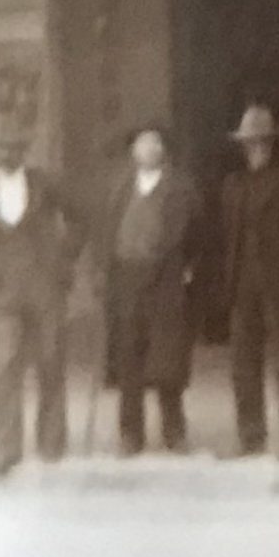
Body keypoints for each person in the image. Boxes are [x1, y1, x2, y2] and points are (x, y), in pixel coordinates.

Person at [0, 125, 79, 481]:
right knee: (6, 365)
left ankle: (51, 443)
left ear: (24, 152)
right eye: (1, 149)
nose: (8, 155)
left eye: (15, 149)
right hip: (4, 293)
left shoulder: (44, 184)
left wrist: (65, 259)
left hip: (45, 288)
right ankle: (5, 450)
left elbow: (81, 217)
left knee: (50, 361)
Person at [218, 103, 279, 461]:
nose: (255, 149)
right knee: (242, 363)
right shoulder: (233, 185)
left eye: (261, 142)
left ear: (271, 144)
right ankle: (250, 437)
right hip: (242, 284)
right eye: (249, 143)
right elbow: (226, 237)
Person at [98, 124, 200, 456]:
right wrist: (106, 278)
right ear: (134, 152)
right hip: (128, 281)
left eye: (154, 144)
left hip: (166, 281)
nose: (148, 150)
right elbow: (108, 236)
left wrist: (188, 269)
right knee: (129, 358)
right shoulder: (119, 189)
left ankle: (174, 432)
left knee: (167, 359)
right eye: (142, 144)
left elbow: (199, 236)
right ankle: (130, 435)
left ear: (163, 151)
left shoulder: (181, 188)